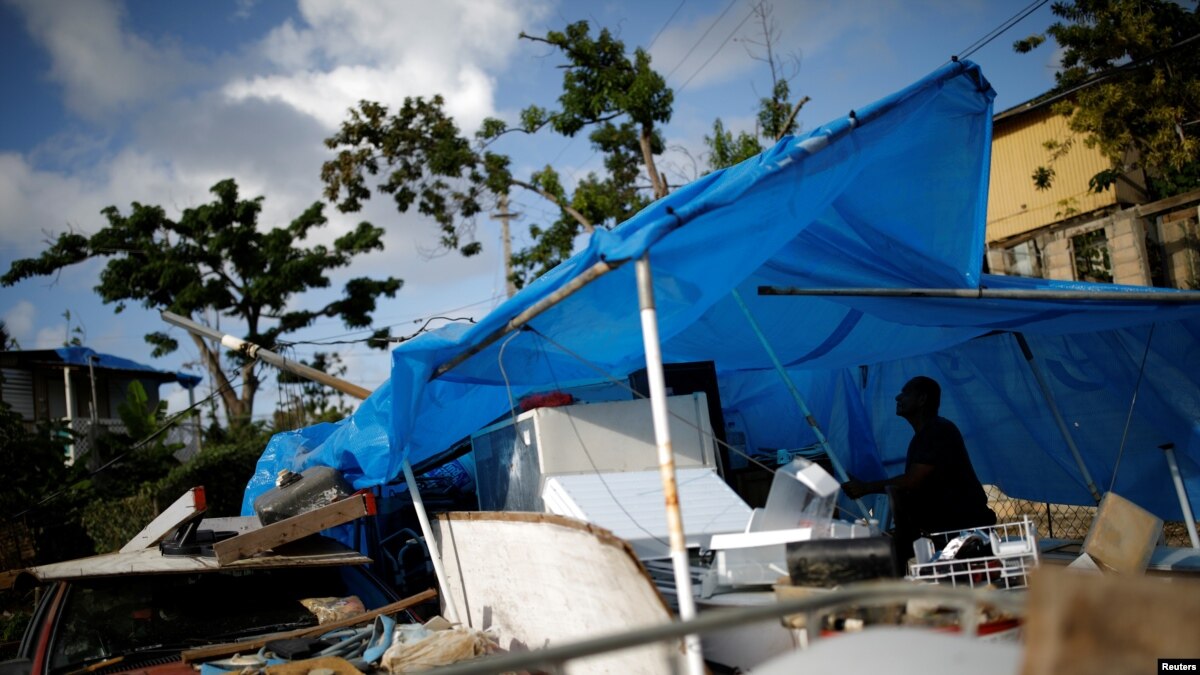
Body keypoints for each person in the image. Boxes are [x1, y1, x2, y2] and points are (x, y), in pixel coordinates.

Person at [841, 375, 996, 569]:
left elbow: (912, 481)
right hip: (948, 527)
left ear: (922, 399)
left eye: (905, 393)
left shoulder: (937, 431)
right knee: (893, 546)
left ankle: (893, 596)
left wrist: (866, 488)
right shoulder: (926, 434)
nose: (898, 397)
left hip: (962, 529)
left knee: (891, 550)